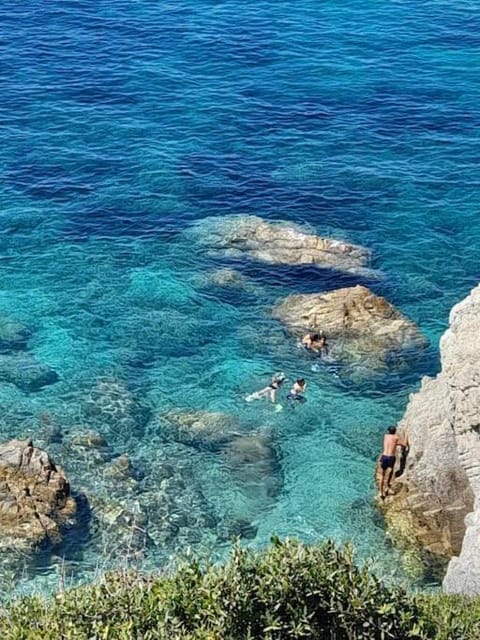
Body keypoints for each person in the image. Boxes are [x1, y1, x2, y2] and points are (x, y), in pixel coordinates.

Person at [379, 426, 408, 499]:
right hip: (391, 457)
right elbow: (404, 444)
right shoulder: (396, 438)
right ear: (395, 432)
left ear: (388, 431)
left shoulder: (385, 436)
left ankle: (381, 492)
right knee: (391, 470)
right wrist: (406, 435)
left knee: (382, 475)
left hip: (384, 456)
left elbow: (390, 440)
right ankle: (387, 485)